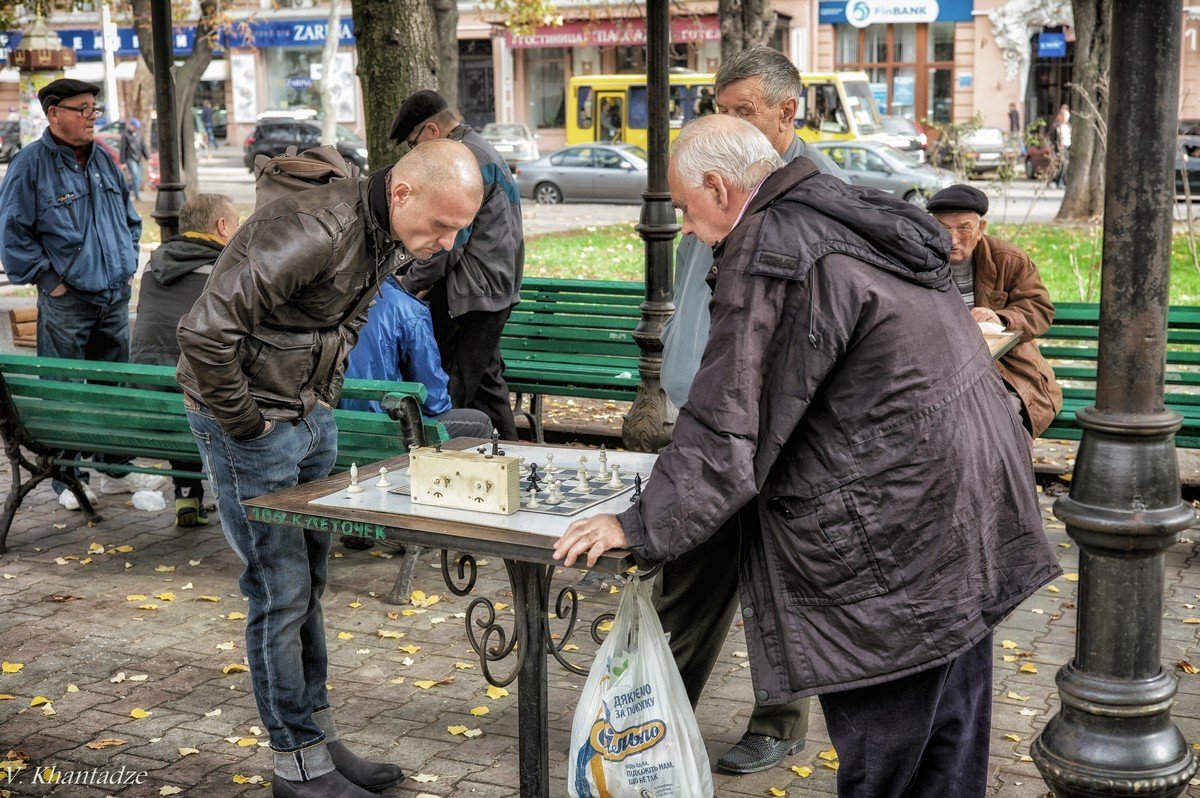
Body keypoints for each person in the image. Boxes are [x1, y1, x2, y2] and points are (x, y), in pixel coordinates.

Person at [553, 114, 1060, 798]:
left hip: (895, 537)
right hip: (966, 509)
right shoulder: (846, 210)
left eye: (687, 210)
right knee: (947, 742)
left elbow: (728, 418)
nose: (692, 232)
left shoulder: (773, 245)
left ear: (717, 187)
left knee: (892, 757)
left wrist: (639, 526)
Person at [176, 140, 484, 798]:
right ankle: (297, 763)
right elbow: (204, 335)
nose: (444, 243)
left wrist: (321, 402)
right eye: (439, 225)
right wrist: (252, 427)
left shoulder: (384, 231)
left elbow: (347, 316)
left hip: (305, 417)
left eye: (457, 229)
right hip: (255, 427)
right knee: (279, 593)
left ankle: (318, 736)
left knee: (308, 585)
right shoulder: (313, 229)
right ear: (401, 193)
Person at [656, 45, 844, 776]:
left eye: (740, 113)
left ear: (785, 113)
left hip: (772, 429)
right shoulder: (720, 179)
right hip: (703, 415)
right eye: (719, 110)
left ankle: (779, 720)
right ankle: (656, 705)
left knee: (775, 579)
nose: (723, 123)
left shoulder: (814, 193)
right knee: (689, 565)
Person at [0, 78, 164, 510]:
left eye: (95, 108)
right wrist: (50, 281)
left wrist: (126, 264)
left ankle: (115, 465)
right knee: (66, 389)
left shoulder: (105, 159)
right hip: (66, 302)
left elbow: (130, 220)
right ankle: (66, 477)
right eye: (83, 109)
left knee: (114, 387)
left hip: (111, 296)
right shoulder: (30, 166)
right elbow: (13, 237)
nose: (93, 116)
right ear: (54, 114)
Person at [389, 90, 523, 441]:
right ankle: (520, 465)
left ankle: (443, 472)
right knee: (487, 387)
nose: (414, 152)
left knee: (453, 388)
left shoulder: (463, 161)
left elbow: (446, 243)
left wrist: (407, 285)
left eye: (413, 143)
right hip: (491, 290)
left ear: (432, 131)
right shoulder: (478, 148)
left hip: (472, 295)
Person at [131, 193, 239, 527]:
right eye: (236, 225)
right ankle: (240, 503)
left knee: (188, 391)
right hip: (195, 396)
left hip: (147, 394)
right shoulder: (225, 268)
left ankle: (187, 495)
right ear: (222, 226)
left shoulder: (154, 264)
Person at [927, 184, 1063, 439]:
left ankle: (1009, 478)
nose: (952, 239)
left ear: (981, 228)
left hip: (1007, 371)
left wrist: (1000, 318)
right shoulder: (920, 262)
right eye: (942, 229)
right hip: (944, 373)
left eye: (964, 227)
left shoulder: (1009, 260)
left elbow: (1039, 308)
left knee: (1001, 419)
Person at [341, 272, 494, 440]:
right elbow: (434, 401)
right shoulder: (406, 307)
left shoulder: (321, 301)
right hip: (387, 430)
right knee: (481, 424)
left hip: (333, 428)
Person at [119, 118, 149, 201]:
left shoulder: (139, 135)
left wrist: (147, 157)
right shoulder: (125, 135)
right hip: (130, 158)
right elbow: (122, 149)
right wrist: (123, 162)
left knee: (138, 177)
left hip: (138, 158)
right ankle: (137, 195)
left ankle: (133, 190)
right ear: (131, 126)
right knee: (135, 176)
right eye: (135, 127)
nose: (136, 128)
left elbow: (143, 147)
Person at [1051, 104, 1071, 188]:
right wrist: (1057, 145)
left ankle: (1064, 181)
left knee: (1066, 165)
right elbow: (1053, 138)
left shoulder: (1069, 126)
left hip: (1068, 146)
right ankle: (1059, 182)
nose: (1066, 118)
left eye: (1068, 116)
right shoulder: (1056, 126)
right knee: (1062, 165)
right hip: (1060, 148)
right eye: (1065, 116)